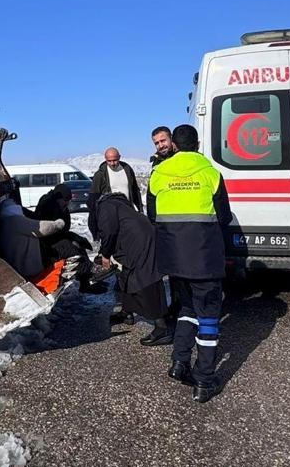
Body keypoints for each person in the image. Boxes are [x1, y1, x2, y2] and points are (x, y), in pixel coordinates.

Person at [150, 124, 232, 403]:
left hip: (173, 260)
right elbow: (224, 216)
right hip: (204, 258)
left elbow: (153, 215)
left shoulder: (158, 174)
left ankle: (179, 362)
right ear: (197, 144)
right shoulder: (211, 174)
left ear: (173, 145)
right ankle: (204, 380)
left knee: (186, 309)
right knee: (208, 316)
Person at [95, 192, 170, 346]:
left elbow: (109, 231)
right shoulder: (119, 203)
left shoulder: (105, 206)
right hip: (143, 236)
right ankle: (126, 313)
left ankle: (162, 329)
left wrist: (105, 254)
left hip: (139, 241)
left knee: (145, 279)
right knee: (126, 275)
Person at [34, 184, 107, 294]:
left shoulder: (61, 207)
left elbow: (64, 229)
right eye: (66, 200)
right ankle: (90, 270)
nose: (68, 203)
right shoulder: (47, 206)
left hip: (57, 238)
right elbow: (48, 230)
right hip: (47, 243)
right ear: (59, 199)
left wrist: (75, 237)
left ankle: (86, 282)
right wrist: (69, 237)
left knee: (79, 245)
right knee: (72, 250)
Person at [146, 126, 179, 321]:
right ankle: (176, 304)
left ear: (171, 139)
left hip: (183, 220)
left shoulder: (182, 158)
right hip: (166, 224)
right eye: (157, 143)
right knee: (173, 269)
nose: (160, 145)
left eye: (163, 141)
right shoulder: (157, 164)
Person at [0, 196, 66, 279]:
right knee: (65, 247)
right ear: (15, 209)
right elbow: (42, 228)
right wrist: (58, 224)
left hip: (17, 266)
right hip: (27, 269)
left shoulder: (6, 223)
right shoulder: (15, 221)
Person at [88, 147, 142, 239]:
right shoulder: (100, 175)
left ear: (119, 157)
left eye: (115, 160)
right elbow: (93, 198)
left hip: (128, 213)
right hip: (110, 216)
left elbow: (135, 191)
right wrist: (95, 224)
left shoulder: (127, 170)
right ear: (105, 159)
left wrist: (140, 209)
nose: (112, 163)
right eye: (109, 161)